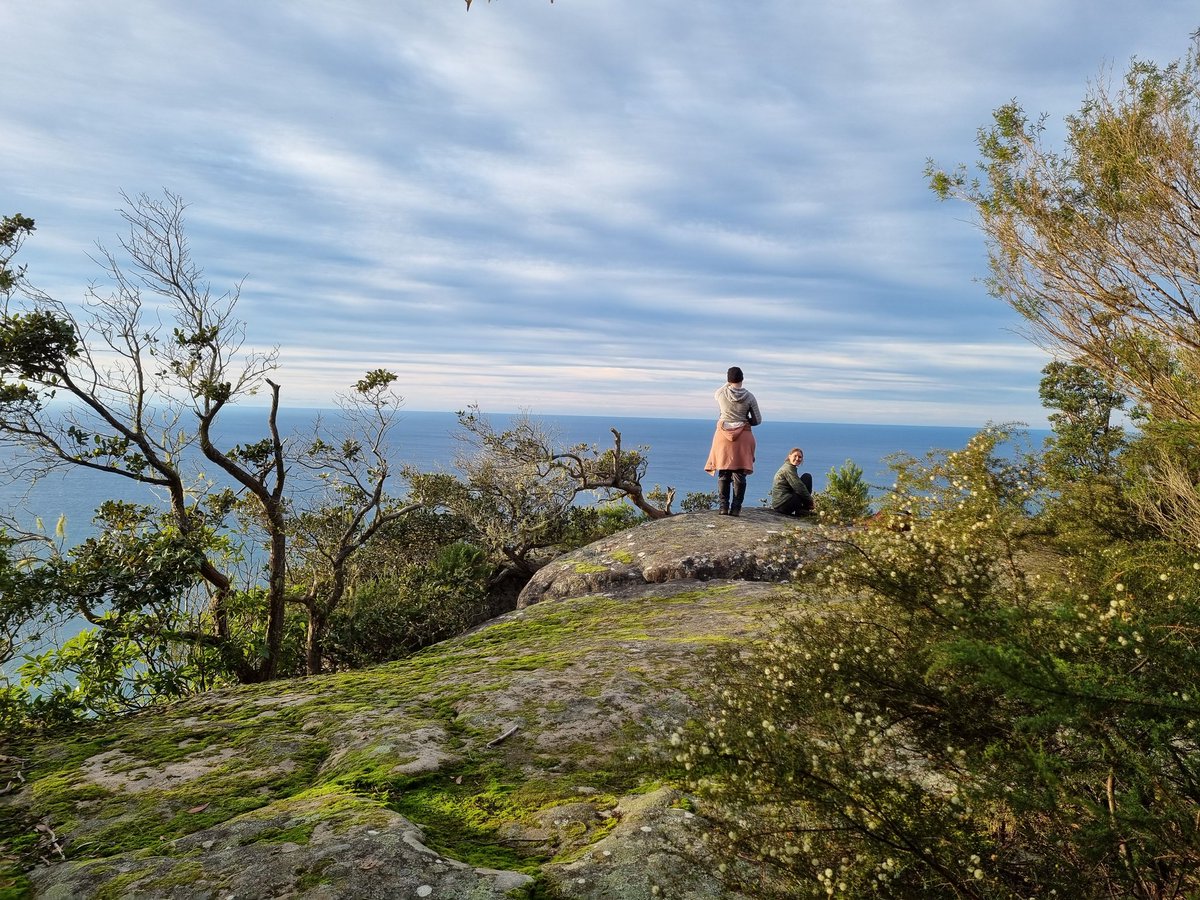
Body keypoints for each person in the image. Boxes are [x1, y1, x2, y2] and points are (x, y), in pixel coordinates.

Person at [704, 366, 761, 516]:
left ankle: (723, 507)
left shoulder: (721, 393)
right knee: (739, 473)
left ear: (728, 380)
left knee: (724, 471)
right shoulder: (749, 397)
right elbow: (757, 420)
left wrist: (727, 383)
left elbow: (718, 391)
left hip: (722, 436)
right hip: (743, 436)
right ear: (742, 379)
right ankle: (736, 508)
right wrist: (745, 419)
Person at [771, 447, 814, 517]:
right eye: (795, 456)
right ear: (789, 456)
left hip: (781, 504)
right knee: (807, 477)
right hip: (782, 505)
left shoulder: (790, 467)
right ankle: (804, 509)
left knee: (805, 478)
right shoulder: (788, 469)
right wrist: (810, 501)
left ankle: (802, 511)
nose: (797, 458)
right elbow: (799, 487)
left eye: (800, 457)